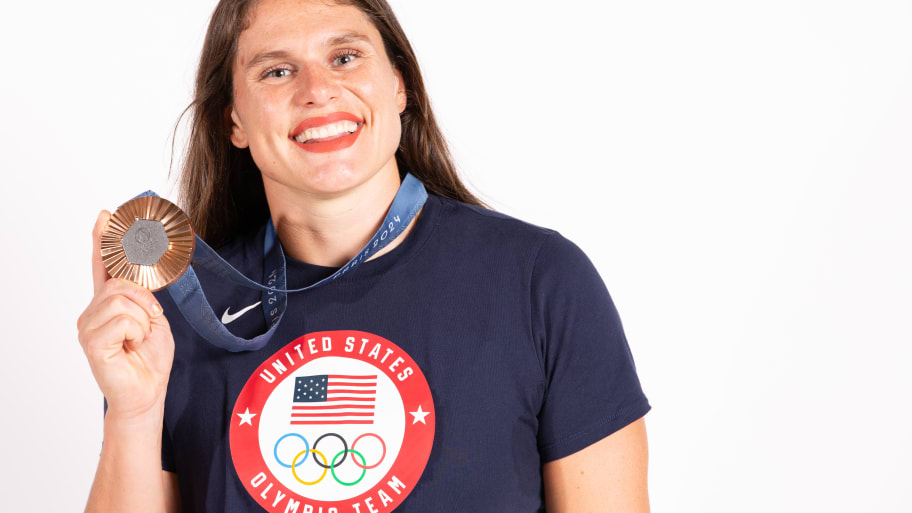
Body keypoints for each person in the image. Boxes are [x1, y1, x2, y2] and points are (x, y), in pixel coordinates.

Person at [76, 0, 652, 511]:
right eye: (277, 71)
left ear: (399, 85)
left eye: (346, 57)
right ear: (235, 120)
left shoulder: (540, 281)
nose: (318, 89)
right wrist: (133, 413)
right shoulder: (173, 318)